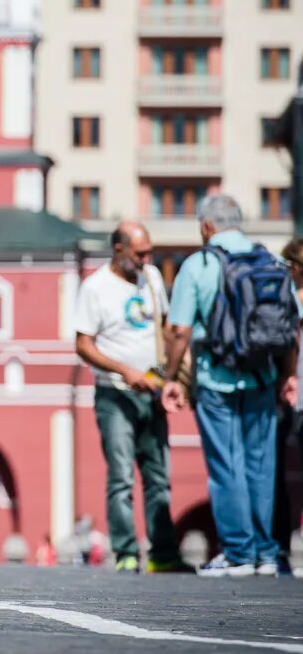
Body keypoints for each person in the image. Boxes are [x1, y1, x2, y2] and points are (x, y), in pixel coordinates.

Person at [162, 195, 299, 577]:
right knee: (261, 465)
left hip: (215, 378)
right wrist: (288, 375)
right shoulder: (271, 262)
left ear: (206, 226)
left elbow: (178, 330)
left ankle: (239, 553)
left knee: (226, 466)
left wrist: (172, 377)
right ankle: (267, 553)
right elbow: (290, 330)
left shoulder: (199, 264)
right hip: (262, 377)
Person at [74, 220, 188, 574]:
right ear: (119, 249)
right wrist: (124, 370)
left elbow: (168, 329)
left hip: (152, 391)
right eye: (140, 253)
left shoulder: (151, 278)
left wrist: (174, 377)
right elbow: (82, 345)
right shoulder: (95, 288)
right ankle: (125, 551)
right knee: (121, 476)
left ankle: (162, 552)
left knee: (159, 475)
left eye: (148, 252)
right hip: (115, 394)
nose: (146, 258)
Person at [275, 237, 303, 576]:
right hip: (293, 393)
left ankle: (279, 550)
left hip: (288, 394)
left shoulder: (290, 301)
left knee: (278, 476)